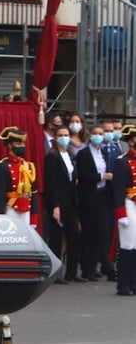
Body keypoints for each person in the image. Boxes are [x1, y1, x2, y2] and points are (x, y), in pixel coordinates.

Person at [76, 123, 114, 283]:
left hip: (103, 196)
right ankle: (87, 268)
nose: (99, 136)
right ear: (90, 135)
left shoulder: (104, 153)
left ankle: (103, 266)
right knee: (89, 233)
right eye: (96, 133)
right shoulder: (83, 153)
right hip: (89, 197)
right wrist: (101, 177)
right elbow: (83, 175)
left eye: (101, 133)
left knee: (103, 232)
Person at [43, 125, 80, 284]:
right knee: (56, 240)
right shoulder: (52, 156)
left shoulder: (70, 154)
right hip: (59, 202)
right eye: (61, 135)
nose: (64, 138)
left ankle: (72, 272)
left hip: (71, 202)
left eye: (66, 135)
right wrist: (55, 206)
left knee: (74, 237)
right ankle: (56, 274)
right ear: (56, 138)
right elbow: (51, 184)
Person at [0, 126, 37, 227]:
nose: (22, 146)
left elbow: (33, 192)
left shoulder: (29, 166)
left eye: (23, 144)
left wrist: (34, 217)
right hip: (11, 208)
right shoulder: (2, 166)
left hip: (26, 208)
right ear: (9, 145)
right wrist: (0, 217)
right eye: (18, 144)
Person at [110, 125, 136, 296]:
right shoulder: (122, 161)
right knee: (128, 245)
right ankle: (123, 283)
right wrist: (121, 213)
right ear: (131, 140)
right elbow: (117, 189)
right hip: (129, 203)